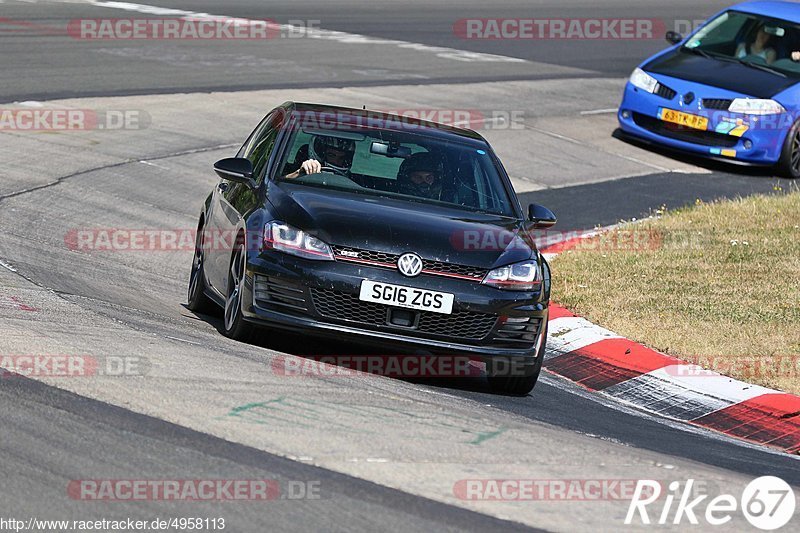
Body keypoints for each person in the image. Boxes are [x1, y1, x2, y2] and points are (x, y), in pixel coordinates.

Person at [283, 134, 356, 179]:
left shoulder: (353, 183)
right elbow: (277, 185)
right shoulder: (302, 172)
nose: (336, 162)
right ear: (320, 154)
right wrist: (299, 173)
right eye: (331, 155)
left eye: (341, 158)